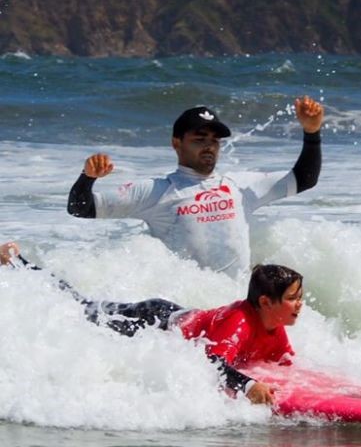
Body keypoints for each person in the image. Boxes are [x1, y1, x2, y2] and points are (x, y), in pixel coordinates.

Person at [1, 240, 301, 406]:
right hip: (151, 321)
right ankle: (16, 261)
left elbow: (284, 366)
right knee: (77, 307)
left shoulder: (274, 326)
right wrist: (248, 386)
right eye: (293, 298)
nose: (300, 304)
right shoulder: (239, 322)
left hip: (178, 316)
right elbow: (211, 361)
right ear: (266, 302)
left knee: (80, 306)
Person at [67, 96, 324, 279]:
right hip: (191, 305)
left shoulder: (240, 186)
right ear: (176, 143)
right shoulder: (157, 191)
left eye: (215, 140)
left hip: (236, 303)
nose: (209, 146)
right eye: (199, 139)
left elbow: (304, 179)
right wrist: (87, 177)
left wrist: (312, 133)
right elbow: (81, 208)